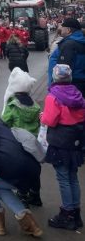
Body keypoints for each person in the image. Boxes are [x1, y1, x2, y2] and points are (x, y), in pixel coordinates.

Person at [42, 64, 85, 230]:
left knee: (63, 178)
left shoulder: (53, 96)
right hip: (75, 140)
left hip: (60, 141)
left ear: (55, 78)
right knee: (73, 177)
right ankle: (75, 213)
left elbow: (50, 120)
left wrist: (43, 117)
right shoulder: (78, 94)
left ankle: (67, 214)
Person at [0, 68, 42, 207]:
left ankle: (23, 196)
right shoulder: (35, 106)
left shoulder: (13, 105)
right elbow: (39, 123)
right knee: (34, 169)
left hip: (18, 143)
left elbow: (4, 122)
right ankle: (35, 195)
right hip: (33, 142)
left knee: (22, 170)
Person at [48, 17, 85, 95]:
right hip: (80, 82)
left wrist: (57, 89)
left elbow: (63, 71)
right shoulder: (80, 40)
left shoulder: (68, 44)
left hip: (71, 85)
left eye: (63, 27)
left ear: (68, 30)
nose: (61, 29)